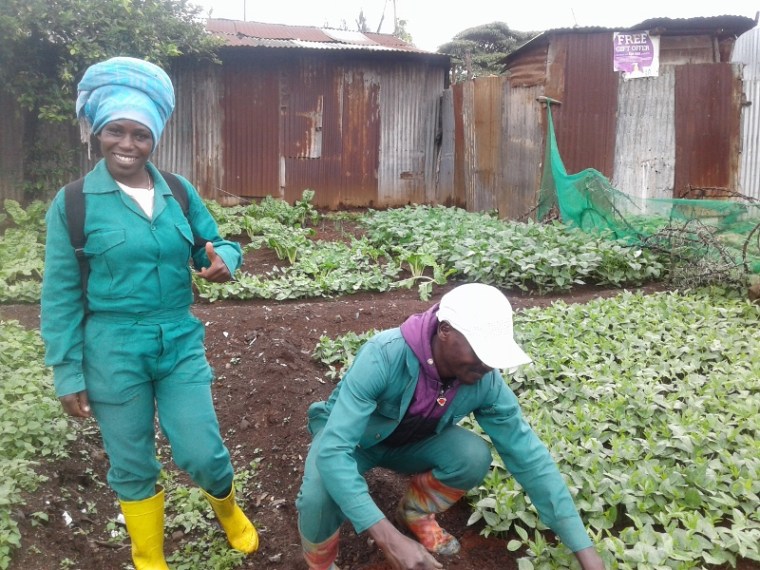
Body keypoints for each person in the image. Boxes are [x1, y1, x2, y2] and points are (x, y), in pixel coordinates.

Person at [40, 56, 259, 570]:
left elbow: (218, 242)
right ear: (97, 131)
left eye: (140, 134)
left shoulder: (178, 191)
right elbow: (60, 294)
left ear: (154, 138)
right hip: (112, 347)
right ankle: (149, 557)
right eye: (116, 130)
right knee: (132, 463)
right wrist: (67, 369)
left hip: (178, 339)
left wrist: (225, 260)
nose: (127, 144)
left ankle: (227, 510)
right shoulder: (73, 204)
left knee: (202, 453)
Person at [295, 283, 606, 570]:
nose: (488, 366)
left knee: (472, 456)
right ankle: (320, 562)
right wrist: (389, 539)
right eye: (480, 352)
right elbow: (335, 450)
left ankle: (413, 512)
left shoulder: (485, 381)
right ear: (445, 330)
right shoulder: (385, 356)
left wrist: (584, 550)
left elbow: (531, 459)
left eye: (493, 356)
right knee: (317, 496)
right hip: (355, 443)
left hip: (407, 444)